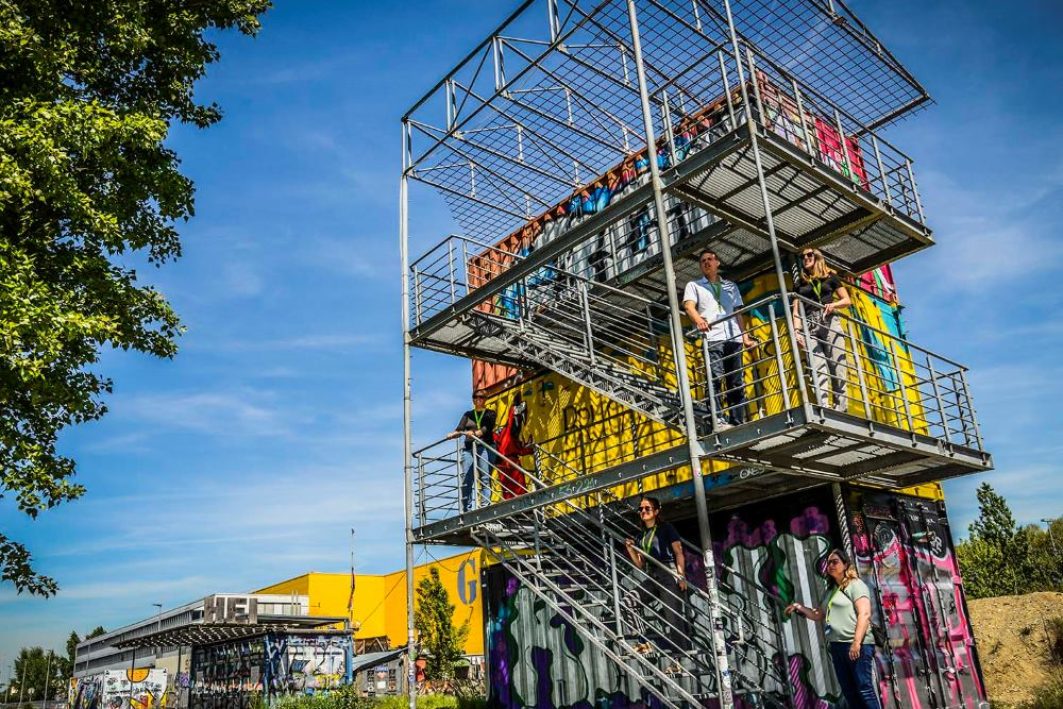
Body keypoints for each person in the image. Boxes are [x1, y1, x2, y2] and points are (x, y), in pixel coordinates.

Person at [785, 548, 881, 709]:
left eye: (835, 562)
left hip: (857, 645)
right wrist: (798, 607)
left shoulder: (855, 585)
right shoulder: (831, 591)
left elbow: (864, 614)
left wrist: (856, 643)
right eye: (828, 562)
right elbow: (818, 614)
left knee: (864, 689)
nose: (830, 565)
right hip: (837, 647)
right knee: (849, 691)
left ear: (845, 565)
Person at [683, 249, 756, 429]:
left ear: (717, 263)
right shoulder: (694, 285)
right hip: (713, 336)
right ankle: (719, 420)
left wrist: (745, 337)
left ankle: (737, 420)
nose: (706, 262)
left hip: (734, 337)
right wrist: (699, 321)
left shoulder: (731, 286)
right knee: (715, 377)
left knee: (736, 380)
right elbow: (689, 306)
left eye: (710, 259)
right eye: (703, 261)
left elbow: (738, 312)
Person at [624, 496, 689, 669]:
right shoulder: (641, 535)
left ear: (656, 511)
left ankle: (678, 662)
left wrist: (681, 576)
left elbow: (679, 552)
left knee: (671, 617)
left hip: (668, 573)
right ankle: (643, 642)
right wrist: (631, 550)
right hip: (652, 575)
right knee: (629, 601)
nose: (643, 512)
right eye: (641, 509)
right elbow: (640, 564)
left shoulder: (666, 528)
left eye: (648, 509)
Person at [792, 248, 851, 411]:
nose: (805, 258)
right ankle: (824, 406)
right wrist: (796, 331)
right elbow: (796, 311)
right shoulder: (800, 284)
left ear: (817, 257)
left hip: (829, 320)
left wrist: (834, 305)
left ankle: (840, 407)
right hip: (809, 324)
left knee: (837, 363)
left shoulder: (831, 277)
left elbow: (847, 300)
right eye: (802, 257)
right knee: (817, 366)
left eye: (809, 255)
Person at [447, 391, 497, 512]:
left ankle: (485, 507)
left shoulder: (490, 414)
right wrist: (453, 434)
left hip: (484, 446)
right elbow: (459, 429)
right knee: (466, 479)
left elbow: (485, 429)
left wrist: (473, 433)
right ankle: (466, 509)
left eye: (481, 397)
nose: (478, 399)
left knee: (484, 477)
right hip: (469, 448)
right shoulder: (468, 414)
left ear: (485, 399)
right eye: (475, 397)